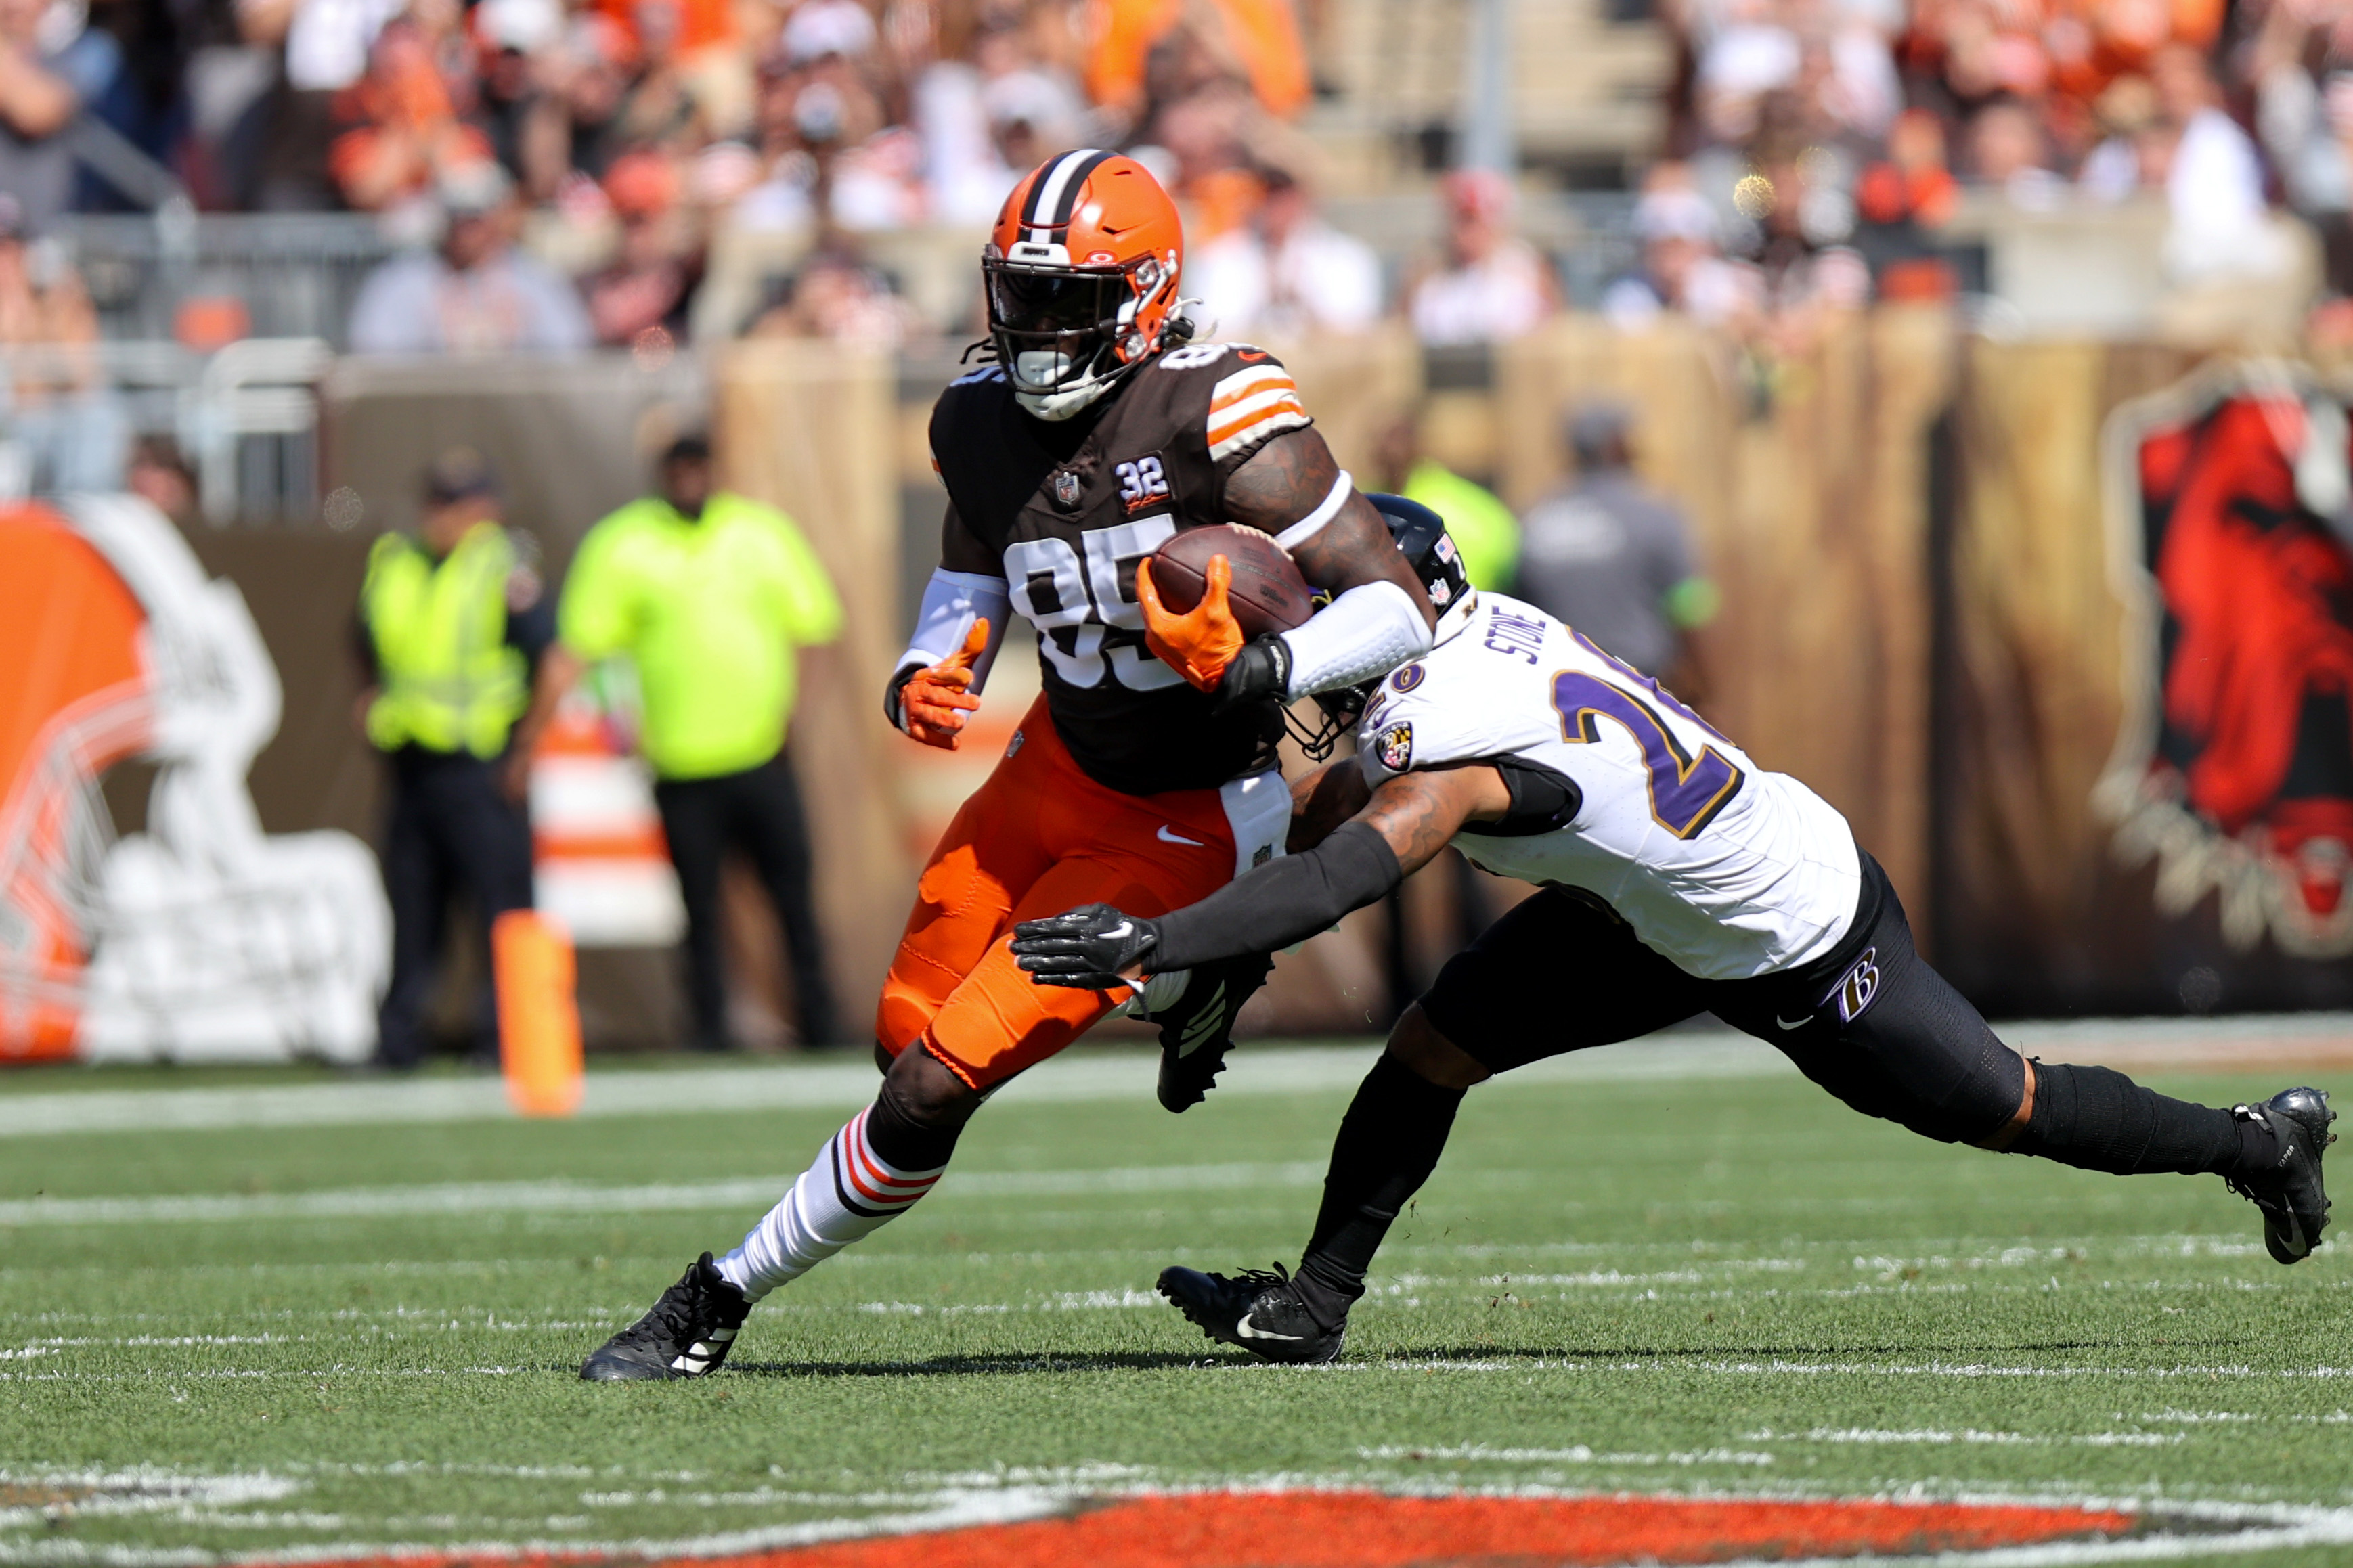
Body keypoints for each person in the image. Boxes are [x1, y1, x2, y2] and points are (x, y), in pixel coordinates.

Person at [1009, 500, 2339, 1365]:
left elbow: (1340, 875)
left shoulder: (1440, 728)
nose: (1315, 614)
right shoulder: (1471, 639)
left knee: (2002, 1104)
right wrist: (1209, 982)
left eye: (1338, 594)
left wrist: (1162, 938)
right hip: (1637, 910)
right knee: (1427, 1051)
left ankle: (2259, 1141)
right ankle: (1314, 1304)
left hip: (1789, 925)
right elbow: (1325, 833)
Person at [576, 149, 1438, 1381]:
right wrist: (943, 657)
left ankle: (712, 1301)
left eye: (1066, 300)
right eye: (1019, 295)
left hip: (1186, 810)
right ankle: (1195, 980)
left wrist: (1263, 669)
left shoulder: (1220, 408)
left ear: (1143, 298)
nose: (1035, 329)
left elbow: (1395, 605)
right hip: (1050, 765)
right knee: (899, 1040)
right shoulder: (975, 413)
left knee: (931, 1089)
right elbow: (975, 564)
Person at [557, 433, 843, 1056]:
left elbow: (815, 625)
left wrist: (797, 714)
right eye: (677, 468)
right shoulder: (625, 542)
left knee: (791, 895)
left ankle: (820, 1021)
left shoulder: (758, 532)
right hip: (680, 758)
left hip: (760, 749)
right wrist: (616, 719)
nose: (688, 478)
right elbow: (589, 643)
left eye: (697, 466)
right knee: (700, 910)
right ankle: (709, 1028)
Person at [359, 449, 571, 1070]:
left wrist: (526, 749)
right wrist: (372, 697)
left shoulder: (504, 569)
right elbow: (365, 637)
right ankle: (399, 1041)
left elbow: (551, 665)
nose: (443, 515)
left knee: (501, 910)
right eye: (437, 500)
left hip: (483, 765)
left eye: (459, 502)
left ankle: (507, 1042)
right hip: (413, 763)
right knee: (412, 910)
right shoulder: (395, 561)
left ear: (486, 509)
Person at [1513, 402, 1718, 699]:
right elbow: (1688, 607)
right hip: (1640, 688)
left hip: (1559, 693)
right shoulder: (1653, 514)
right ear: (1615, 444)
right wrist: (1706, 692)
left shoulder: (1533, 520)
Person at [347, 162, 593, 354]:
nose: (466, 228)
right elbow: (374, 354)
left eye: (476, 215)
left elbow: (572, 351)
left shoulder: (537, 279)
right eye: (457, 215)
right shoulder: (403, 281)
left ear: (500, 215)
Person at [1184, 167, 1383, 340]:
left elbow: (1357, 326)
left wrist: (1301, 295)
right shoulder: (1219, 255)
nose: (1275, 209)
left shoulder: (1346, 255)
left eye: (1284, 197)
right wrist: (1264, 292)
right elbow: (1208, 329)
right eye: (1268, 197)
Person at [1368, 411, 1516, 593]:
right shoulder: (1369, 500)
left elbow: (1505, 552)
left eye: (1395, 439)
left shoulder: (1458, 505)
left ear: (1417, 444)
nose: (1387, 449)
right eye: (1380, 440)